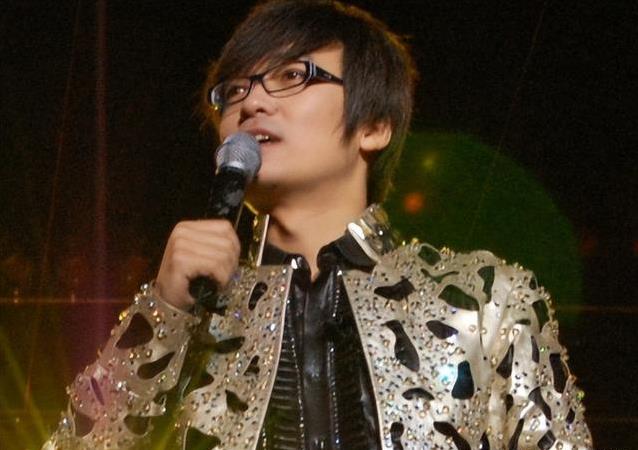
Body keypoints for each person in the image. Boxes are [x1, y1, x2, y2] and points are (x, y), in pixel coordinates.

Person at [44, 1, 593, 449]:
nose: (252, 102)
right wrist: (164, 311)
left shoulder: (484, 302)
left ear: (374, 126)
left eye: (292, 75)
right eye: (233, 91)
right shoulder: (188, 311)